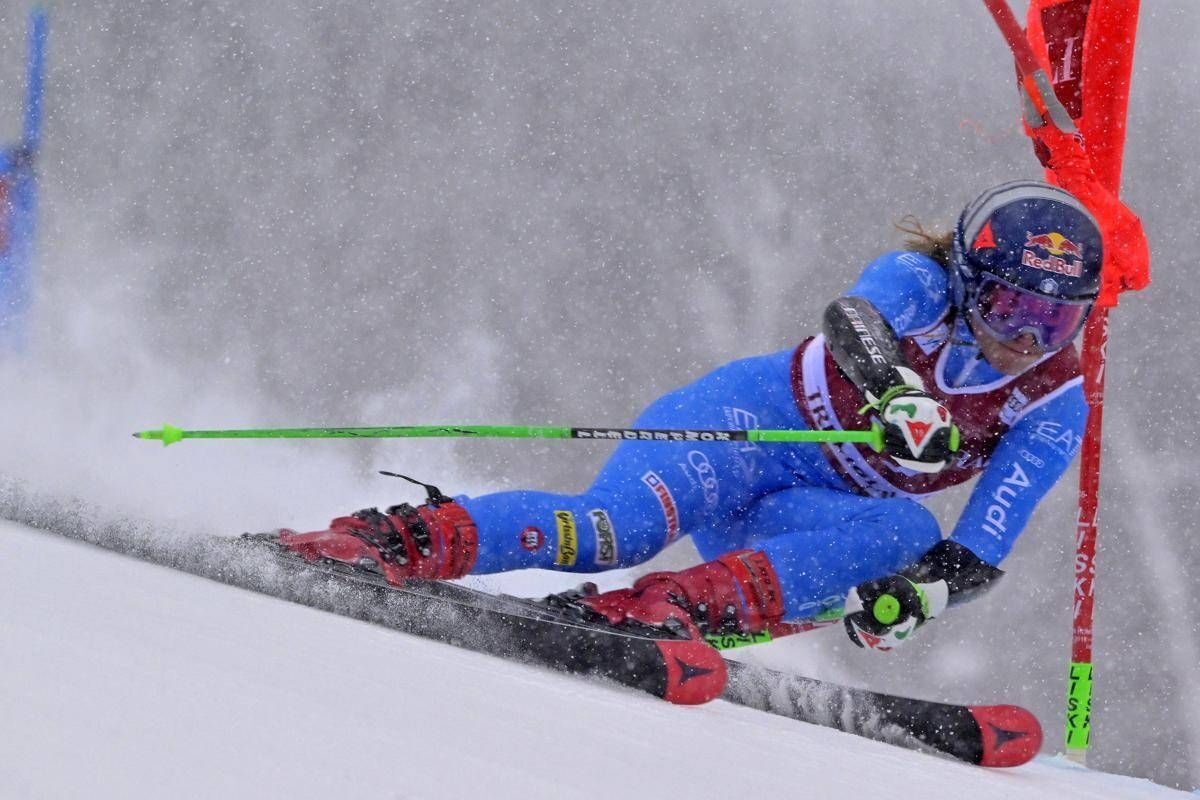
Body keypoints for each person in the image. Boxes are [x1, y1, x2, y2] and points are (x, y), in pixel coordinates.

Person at [280, 179, 1101, 651]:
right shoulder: (920, 284)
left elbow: (977, 551)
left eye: (1057, 322)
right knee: (613, 532)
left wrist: (916, 598)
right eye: (1009, 307)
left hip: (798, 512)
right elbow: (853, 322)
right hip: (741, 431)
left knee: (910, 533)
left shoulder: (1054, 403)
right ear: (966, 278)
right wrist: (898, 393)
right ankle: (399, 541)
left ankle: (674, 605)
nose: (1025, 339)